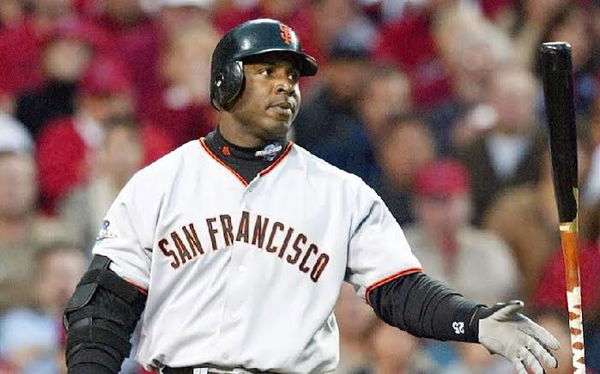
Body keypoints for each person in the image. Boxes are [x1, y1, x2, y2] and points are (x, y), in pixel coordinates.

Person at [63, 18, 560, 374]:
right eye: (266, 71)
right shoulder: (158, 184)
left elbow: (399, 290)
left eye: (292, 76)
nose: (285, 86)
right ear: (224, 81)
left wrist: (470, 321)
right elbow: (104, 307)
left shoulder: (341, 193)